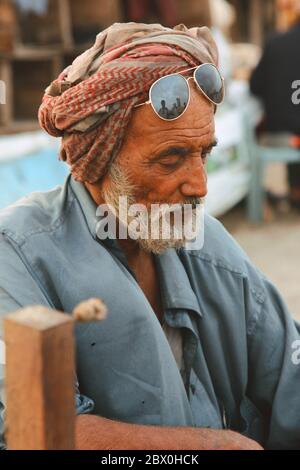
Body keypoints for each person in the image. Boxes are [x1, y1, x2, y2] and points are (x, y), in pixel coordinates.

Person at [0, 22, 299, 451]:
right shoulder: (17, 255)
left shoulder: (206, 244)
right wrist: (213, 447)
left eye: (203, 154)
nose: (199, 186)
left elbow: (288, 370)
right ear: (101, 158)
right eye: (171, 158)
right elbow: (40, 429)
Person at [250, 0, 300, 208]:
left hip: (280, 134)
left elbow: (255, 86)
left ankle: (295, 192)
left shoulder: (275, 43)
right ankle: (296, 191)